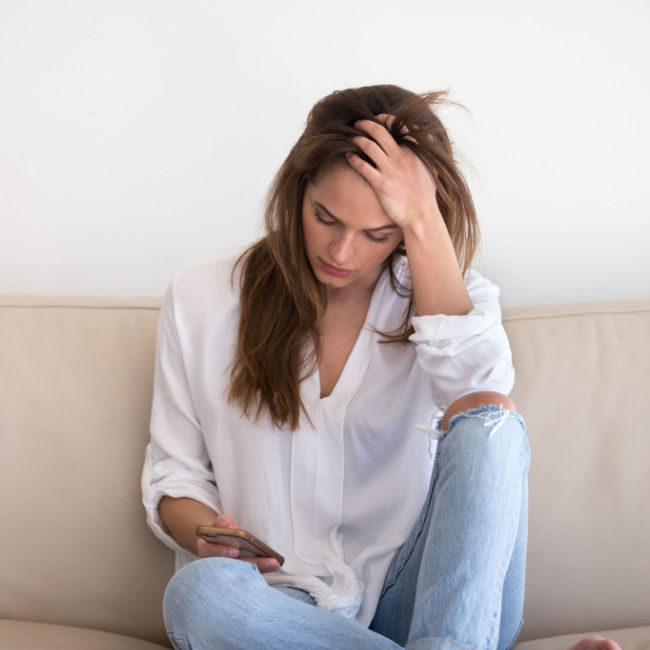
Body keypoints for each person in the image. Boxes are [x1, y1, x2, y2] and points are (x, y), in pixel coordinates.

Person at [142, 85, 621, 650]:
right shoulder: (204, 297)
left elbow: (483, 408)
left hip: (431, 600)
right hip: (283, 610)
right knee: (199, 597)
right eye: (326, 218)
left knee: (490, 419)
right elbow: (175, 476)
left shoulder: (451, 300)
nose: (342, 254)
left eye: (378, 233)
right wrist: (205, 535)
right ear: (297, 191)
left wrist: (421, 218)